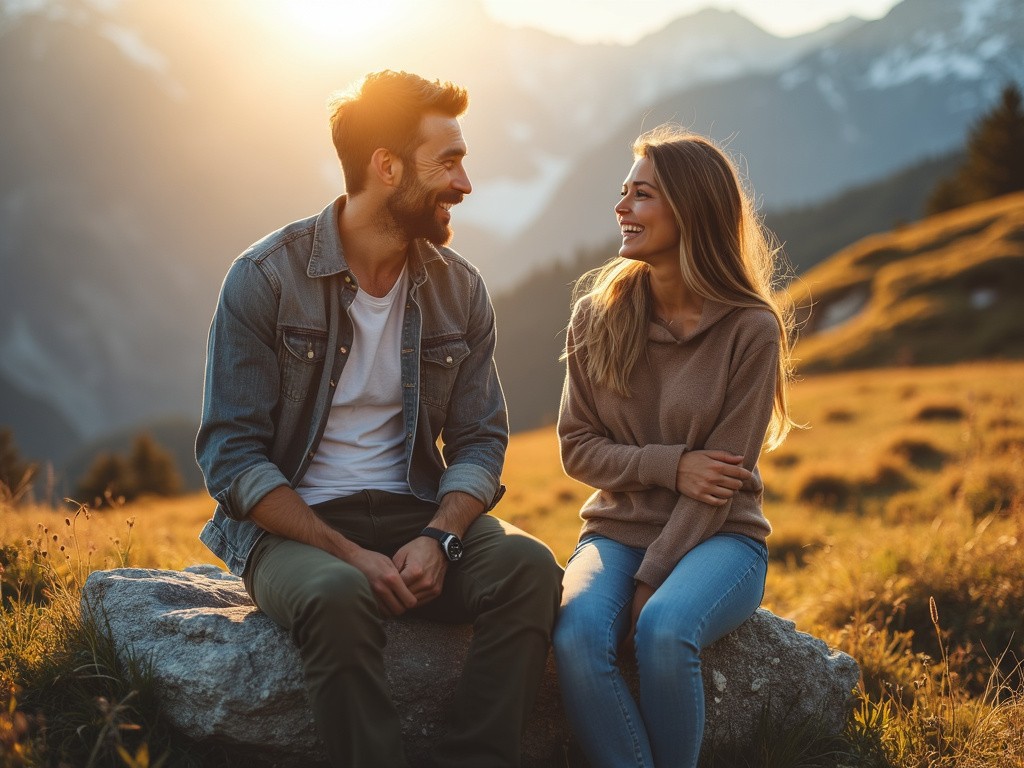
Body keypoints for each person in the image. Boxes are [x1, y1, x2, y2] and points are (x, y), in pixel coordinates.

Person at [195, 70, 562, 768]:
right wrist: (347, 555)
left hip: (414, 515)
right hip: (295, 531)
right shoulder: (266, 278)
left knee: (528, 568)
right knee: (338, 597)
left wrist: (440, 537)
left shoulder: (461, 288)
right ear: (386, 167)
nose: (465, 183)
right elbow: (232, 459)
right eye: (448, 161)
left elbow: (481, 436)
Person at [552, 126, 797, 768]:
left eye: (642, 194)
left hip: (720, 539)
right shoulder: (595, 316)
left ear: (690, 211)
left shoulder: (751, 329)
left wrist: (652, 579)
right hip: (613, 531)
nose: (622, 207)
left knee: (664, 629)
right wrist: (671, 465)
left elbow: (717, 488)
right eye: (623, 192)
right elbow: (577, 448)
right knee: (577, 637)